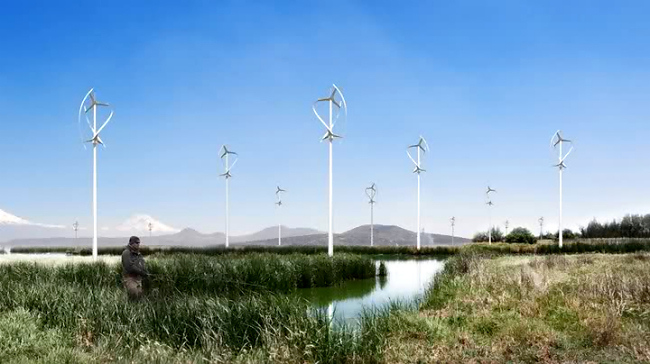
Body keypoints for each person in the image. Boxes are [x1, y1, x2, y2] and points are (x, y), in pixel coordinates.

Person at [122, 236, 148, 300]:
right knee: (133, 295)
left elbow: (142, 263)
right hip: (130, 278)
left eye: (139, 243)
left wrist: (145, 272)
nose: (138, 244)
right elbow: (129, 267)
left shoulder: (138, 253)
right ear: (131, 243)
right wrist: (142, 272)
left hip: (138, 278)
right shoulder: (126, 253)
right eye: (136, 243)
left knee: (139, 296)